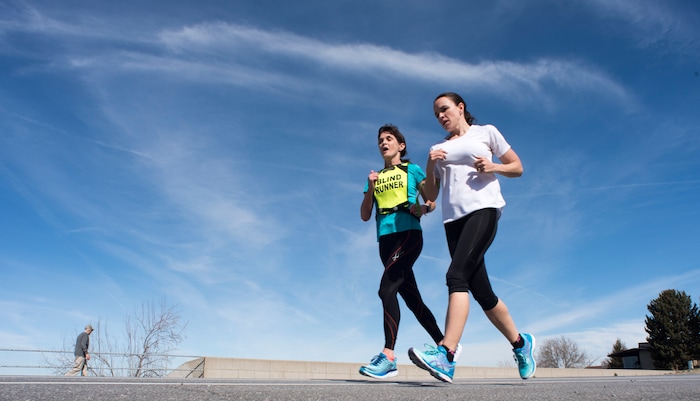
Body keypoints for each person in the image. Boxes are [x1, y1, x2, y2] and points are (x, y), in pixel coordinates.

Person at [408, 92, 536, 383]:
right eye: (436, 114)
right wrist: (430, 165)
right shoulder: (438, 148)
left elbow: (517, 167)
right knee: (483, 295)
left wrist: (495, 167)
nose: (440, 116)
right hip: (452, 221)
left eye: (444, 109)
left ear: (460, 108)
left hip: (483, 210)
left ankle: (447, 354)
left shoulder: (486, 132)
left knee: (456, 276)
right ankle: (521, 344)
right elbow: (430, 195)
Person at [358, 124, 461, 379]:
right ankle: (446, 350)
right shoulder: (375, 177)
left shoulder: (411, 170)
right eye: (380, 140)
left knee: (385, 290)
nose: (383, 142)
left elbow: (431, 200)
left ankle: (389, 356)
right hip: (385, 241)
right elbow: (364, 214)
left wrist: (422, 209)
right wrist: (370, 188)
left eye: (389, 138)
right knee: (413, 301)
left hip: (408, 236)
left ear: (400, 146)